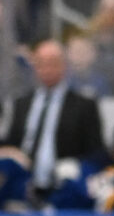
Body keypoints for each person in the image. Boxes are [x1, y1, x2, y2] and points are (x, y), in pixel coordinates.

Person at [7, 38, 106, 199]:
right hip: (23, 189)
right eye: (40, 63)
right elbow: (11, 143)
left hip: (66, 191)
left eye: (53, 63)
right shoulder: (21, 104)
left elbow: (98, 152)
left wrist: (77, 167)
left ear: (65, 66)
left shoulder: (84, 106)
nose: (47, 69)